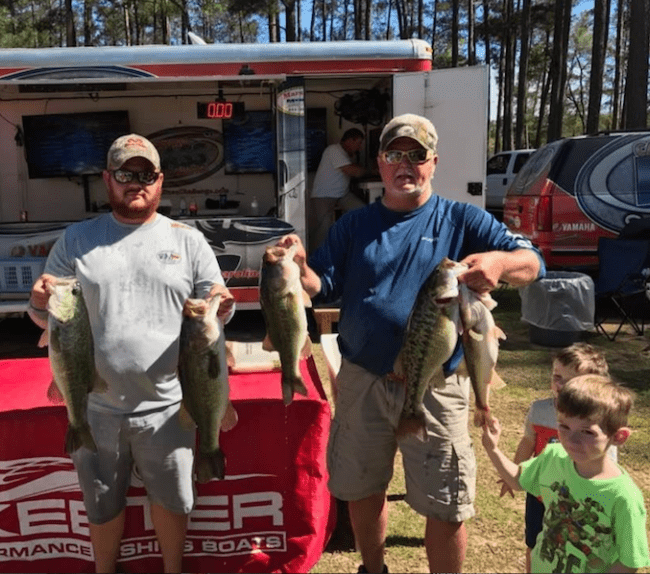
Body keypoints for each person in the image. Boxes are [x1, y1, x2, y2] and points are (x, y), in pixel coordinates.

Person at [276, 113, 544, 573]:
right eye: (395, 154)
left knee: (446, 501)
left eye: (416, 155)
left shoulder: (461, 219)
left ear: (433, 162)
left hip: (438, 382)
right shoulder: (354, 226)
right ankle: (373, 568)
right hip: (363, 378)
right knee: (363, 487)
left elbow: (532, 261)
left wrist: (499, 263)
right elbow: (320, 284)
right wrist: (297, 267)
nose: (405, 164)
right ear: (380, 163)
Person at [27, 133, 235, 574]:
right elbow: (44, 318)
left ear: (160, 181)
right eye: (125, 173)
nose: (135, 182)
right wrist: (40, 300)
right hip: (94, 405)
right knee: (102, 505)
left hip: (169, 405)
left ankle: (172, 569)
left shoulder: (189, 240)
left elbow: (213, 303)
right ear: (108, 179)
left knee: (173, 500)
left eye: (145, 174)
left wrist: (222, 300)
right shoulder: (77, 239)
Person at [482, 375, 650, 573]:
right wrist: (492, 448)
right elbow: (519, 480)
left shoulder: (624, 496)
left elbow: (629, 562)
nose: (572, 439)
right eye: (564, 426)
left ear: (618, 437)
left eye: (587, 432)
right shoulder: (554, 456)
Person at [503, 343, 614, 573]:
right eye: (557, 376)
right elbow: (528, 442)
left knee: (575, 550)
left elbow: (609, 463)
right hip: (540, 495)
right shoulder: (540, 410)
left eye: (570, 380)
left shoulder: (599, 421)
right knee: (534, 542)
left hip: (578, 502)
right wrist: (513, 473)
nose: (560, 385)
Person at [309, 128, 368, 253]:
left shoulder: (344, 154)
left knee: (364, 213)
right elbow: (350, 170)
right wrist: (371, 171)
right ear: (351, 140)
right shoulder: (334, 150)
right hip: (324, 195)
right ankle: (317, 262)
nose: (360, 147)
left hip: (342, 194)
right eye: (359, 143)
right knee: (323, 229)